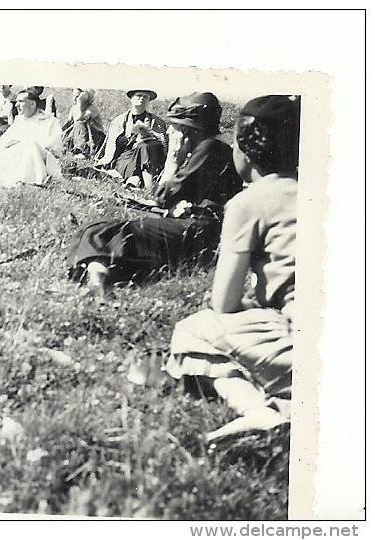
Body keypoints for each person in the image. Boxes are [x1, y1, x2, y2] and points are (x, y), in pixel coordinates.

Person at [161, 95, 300, 441]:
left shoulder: (249, 201)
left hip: (302, 352)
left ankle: (259, 412)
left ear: (243, 149)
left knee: (194, 330)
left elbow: (224, 303)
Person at [66, 92, 241, 289]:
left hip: (200, 231)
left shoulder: (209, 150)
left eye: (174, 126)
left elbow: (163, 198)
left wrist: (173, 160)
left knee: (102, 231)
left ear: (187, 129)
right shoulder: (210, 148)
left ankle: (98, 281)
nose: (170, 131)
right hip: (198, 229)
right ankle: (100, 276)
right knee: (94, 229)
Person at [0, 88, 64, 188]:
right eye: (16, 102)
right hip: (14, 159)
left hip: (36, 161)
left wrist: (25, 144)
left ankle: (24, 183)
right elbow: (2, 145)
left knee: (30, 145)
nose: (16, 105)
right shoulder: (19, 121)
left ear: (32, 104)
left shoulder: (50, 121)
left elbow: (54, 148)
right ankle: (3, 184)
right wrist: (9, 146)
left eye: (20, 102)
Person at [95, 89, 168, 192]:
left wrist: (148, 136)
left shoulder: (157, 121)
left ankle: (146, 186)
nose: (142, 98)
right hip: (126, 157)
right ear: (131, 99)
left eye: (145, 97)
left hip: (149, 157)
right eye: (139, 95)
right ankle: (136, 180)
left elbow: (163, 144)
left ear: (148, 101)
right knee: (131, 159)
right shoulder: (119, 120)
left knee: (144, 147)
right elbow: (111, 144)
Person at [62, 88, 106, 157]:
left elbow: (80, 119)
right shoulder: (74, 108)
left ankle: (82, 152)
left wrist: (80, 102)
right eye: (73, 96)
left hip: (95, 137)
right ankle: (68, 149)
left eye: (77, 96)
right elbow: (69, 124)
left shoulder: (92, 108)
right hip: (80, 136)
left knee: (80, 124)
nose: (74, 98)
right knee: (68, 132)